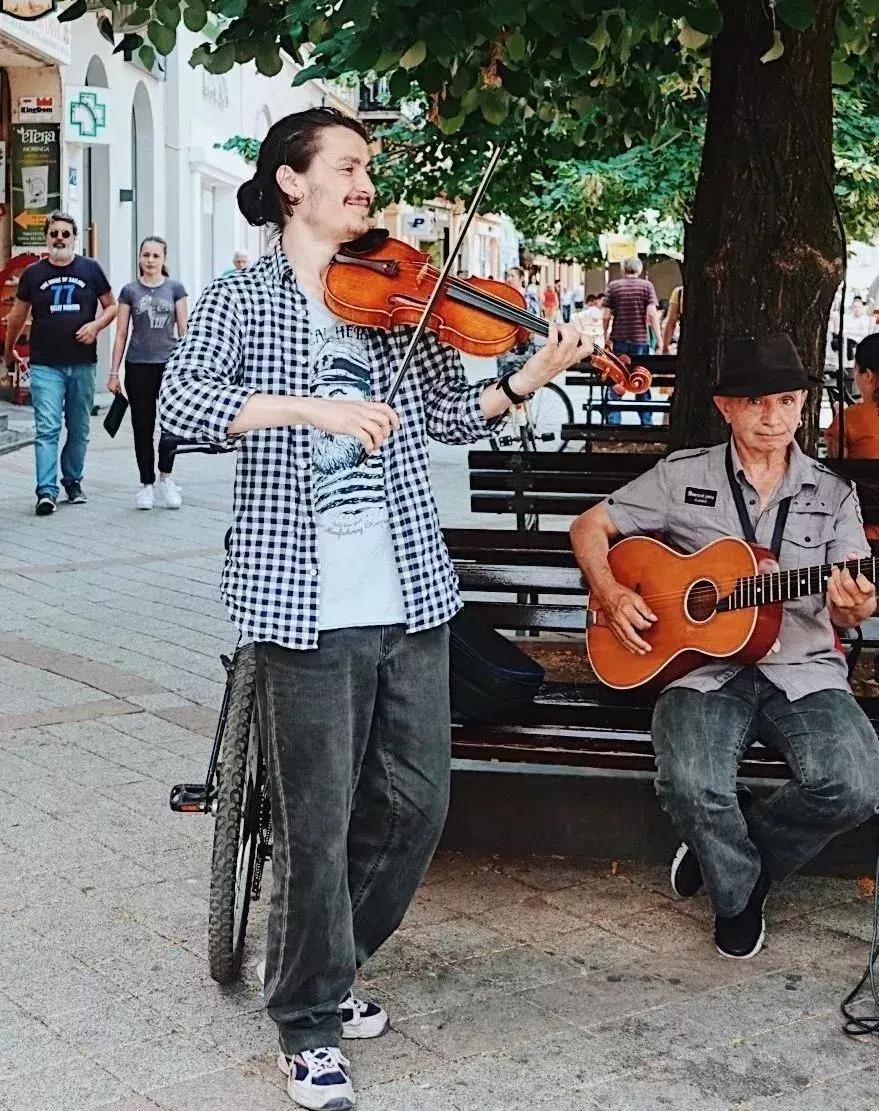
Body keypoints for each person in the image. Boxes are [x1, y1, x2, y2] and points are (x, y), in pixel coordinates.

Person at [158, 107, 583, 1111]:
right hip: (301, 603)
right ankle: (307, 1023)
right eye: (347, 167)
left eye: (367, 169)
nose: (365, 184)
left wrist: (531, 372)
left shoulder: (400, 300)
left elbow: (443, 417)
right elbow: (180, 408)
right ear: (292, 181)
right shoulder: (243, 300)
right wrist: (310, 407)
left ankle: (329, 962)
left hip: (410, 592)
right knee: (316, 822)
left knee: (417, 804)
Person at [572, 334, 879, 961]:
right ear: (725, 408)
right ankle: (738, 895)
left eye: (788, 402)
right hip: (697, 666)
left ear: (803, 407)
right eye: (756, 403)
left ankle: (731, 861)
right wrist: (607, 591)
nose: (773, 418)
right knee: (690, 783)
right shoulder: (683, 476)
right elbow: (590, 526)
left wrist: (857, 605)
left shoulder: (833, 495)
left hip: (802, 665)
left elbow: (856, 594)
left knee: (854, 786)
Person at [3, 212, 116, 515]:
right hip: (45, 365)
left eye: (66, 234)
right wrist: (8, 349)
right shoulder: (33, 273)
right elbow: (18, 316)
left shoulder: (91, 269)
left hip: (82, 364)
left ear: (74, 238)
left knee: (78, 428)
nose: (60, 239)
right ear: (46, 237)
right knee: (47, 428)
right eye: (54, 233)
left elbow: (112, 306)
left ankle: (73, 480)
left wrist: (96, 327)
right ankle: (46, 491)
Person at [109, 237, 188, 510]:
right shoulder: (129, 291)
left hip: (169, 365)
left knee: (171, 425)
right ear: (139, 258)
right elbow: (121, 334)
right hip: (138, 365)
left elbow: (184, 332)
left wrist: (187, 368)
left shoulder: (175, 289)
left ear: (164, 258)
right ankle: (146, 484)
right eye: (146, 255)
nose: (150, 260)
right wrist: (113, 372)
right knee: (142, 426)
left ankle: (166, 478)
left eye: (156, 255)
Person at [826, 333, 879, 543]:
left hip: (864, 537)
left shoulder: (848, 420)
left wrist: (841, 422)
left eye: (855, 370)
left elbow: (835, 481)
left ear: (866, 375)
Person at [603, 257, 662, 426]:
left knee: (616, 378)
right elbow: (651, 314)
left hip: (618, 339)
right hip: (640, 340)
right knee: (641, 378)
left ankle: (614, 422)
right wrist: (658, 339)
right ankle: (646, 422)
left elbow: (606, 315)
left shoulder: (613, 287)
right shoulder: (647, 286)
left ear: (623, 269)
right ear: (640, 269)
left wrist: (605, 335)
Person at [662, 283, 683, 353]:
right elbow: (671, 322)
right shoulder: (679, 292)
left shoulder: (680, 292)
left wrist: (665, 348)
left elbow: (671, 322)